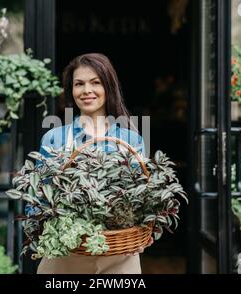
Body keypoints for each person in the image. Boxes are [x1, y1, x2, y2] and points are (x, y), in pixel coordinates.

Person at [35, 53, 153, 274]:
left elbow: (142, 199)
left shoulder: (131, 141)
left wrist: (144, 228)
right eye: (79, 84)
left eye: (95, 82)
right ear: (71, 91)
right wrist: (40, 229)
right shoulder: (55, 139)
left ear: (109, 87)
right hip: (66, 253)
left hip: (119, 256)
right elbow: (39, 195)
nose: (86, 90)